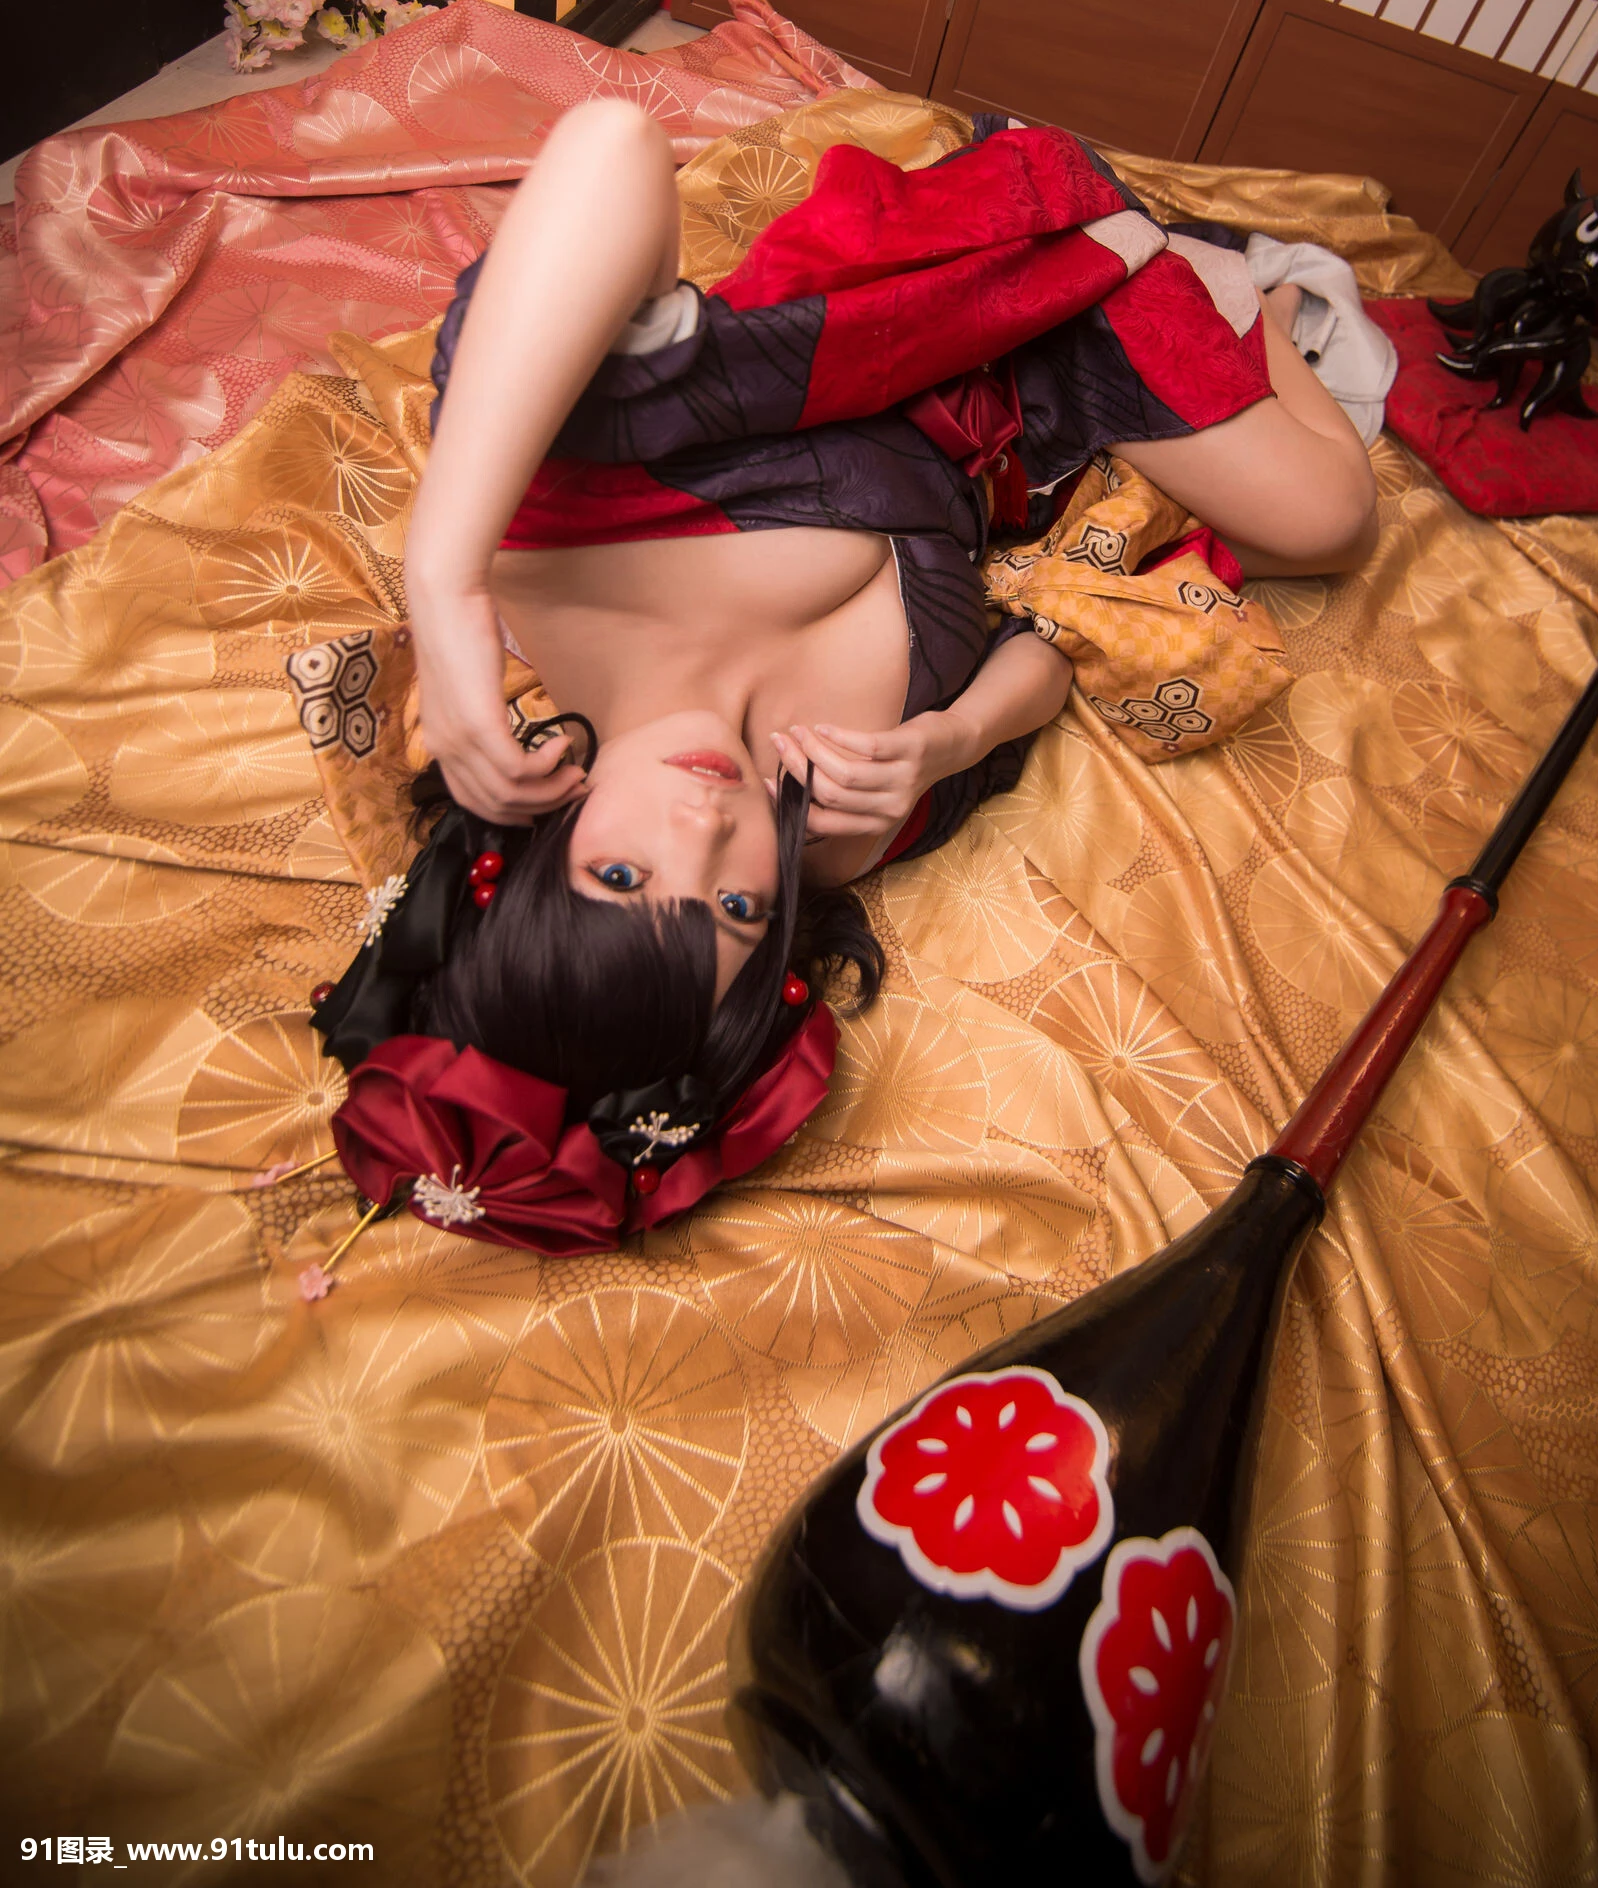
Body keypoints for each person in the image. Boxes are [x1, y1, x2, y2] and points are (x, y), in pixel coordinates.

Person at [323, 98, 1375, 1234]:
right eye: (733, 906)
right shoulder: (833, 829)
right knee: (1333, 522)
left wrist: (442, 572)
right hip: (1037, 438)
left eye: (622, 874)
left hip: (955, 298)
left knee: (1291, 495)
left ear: (541, 859)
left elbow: (610, 146)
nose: (704, 825)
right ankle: (1248, 303)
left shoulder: (550, 553)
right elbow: (1048, 646)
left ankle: (1187, 266)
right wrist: (954, 738)